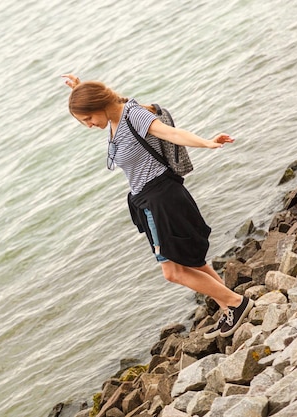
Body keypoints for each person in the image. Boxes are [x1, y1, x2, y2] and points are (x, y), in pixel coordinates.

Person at [62, 74, 253, 339]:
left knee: (172, 271)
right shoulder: (116, 116)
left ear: (98, 106)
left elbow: (172, 134)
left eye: (88, 119)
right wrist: (79, 88)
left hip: (161, 197)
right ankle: (230, 306)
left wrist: (207, 142)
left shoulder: (134, 115)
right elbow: (98, 100)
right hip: (148, 199)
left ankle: (236, 303)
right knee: (193, 263)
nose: (90, 126)